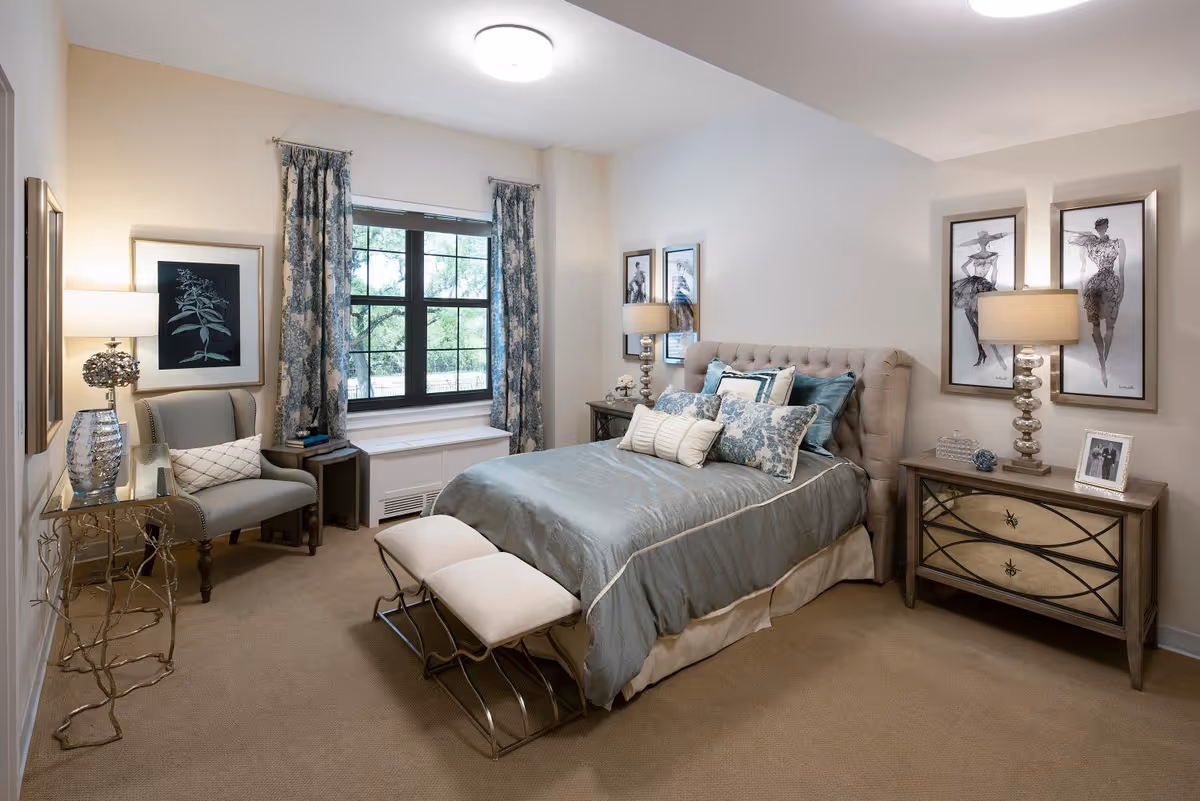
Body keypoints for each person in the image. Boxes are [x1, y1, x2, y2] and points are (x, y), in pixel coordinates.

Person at [1067, 217, 1126, 388]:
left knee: (1110, 325)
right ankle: (1102, 363)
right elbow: (1082, 268)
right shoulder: (1089, 245)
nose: (1101, 229)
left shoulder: (1117, 243)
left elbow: (1121, 270)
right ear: (1097, 228)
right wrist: (1080, 288)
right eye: (1098, 227)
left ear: (1107, 227)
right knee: (1095, 325)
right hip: (1094, 285)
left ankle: (1104, 362)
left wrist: (1122, 289)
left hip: (1111, 284)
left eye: (1103, 226)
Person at [951, 230, 1010, 368]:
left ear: (988, 242)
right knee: (972, 320)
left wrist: (992, 286)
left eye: (986, 241)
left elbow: (995, 271)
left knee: (980, 320)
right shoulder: (976, 256)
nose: (984, 243)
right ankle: (982, 351)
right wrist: (969, 278)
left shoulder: (992, 256)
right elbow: (963, 267)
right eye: (982, 240)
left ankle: (985, 351)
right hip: (974, 284)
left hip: (981, 285)